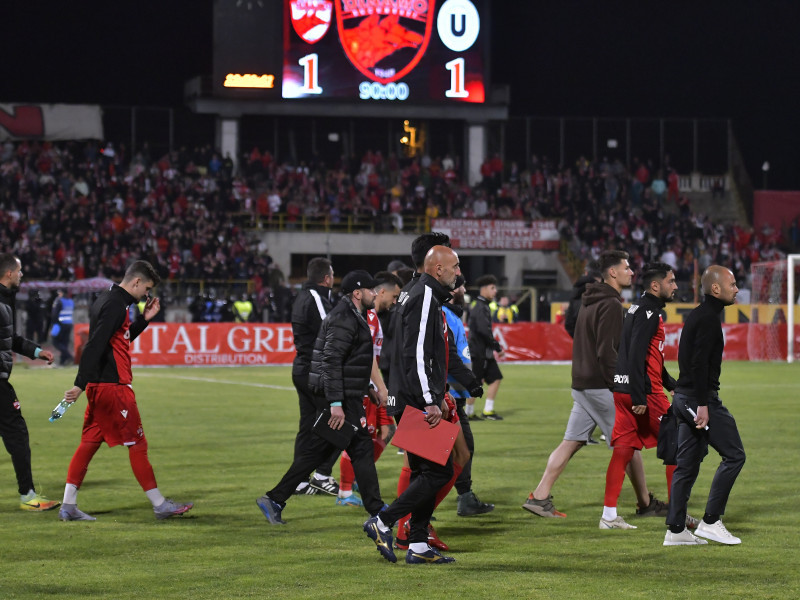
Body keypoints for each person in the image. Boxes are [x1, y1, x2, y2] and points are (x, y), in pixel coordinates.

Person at [523, 250, 653, 518]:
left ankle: (539, 496)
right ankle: (646, 503)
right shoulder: (611, 305)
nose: (632, 272)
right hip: (599, 385)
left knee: (572, 441)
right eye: (627, 268)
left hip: (583, 382)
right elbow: (607, 353)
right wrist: (620, 386)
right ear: (613, 273)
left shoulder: (590, 301)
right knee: (628, 441)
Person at [59, 260, 193, 521]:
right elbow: (94, 344)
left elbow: (118, 339)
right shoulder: (114, 305)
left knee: (89, 442)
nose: (147, 294)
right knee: (138, 443)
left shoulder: (108, 300)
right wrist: (79, 383)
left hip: (102, 387)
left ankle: (68, 505)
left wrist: (144, 320)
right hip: (114, 388)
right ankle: (159, 504)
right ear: (136, 282)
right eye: (147, 288)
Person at [257, 270, 387, 524]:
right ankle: (377, 510)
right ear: (358, 293)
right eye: (371, 290)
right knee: (358, 449)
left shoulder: (351, 315)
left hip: (347, 395)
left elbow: (350, 362)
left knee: (321, 451)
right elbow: (331, 362)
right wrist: (337, 404)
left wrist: (366, 388)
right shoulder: (344, 319)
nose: (375, 294)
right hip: (340, 399)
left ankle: (275, 498)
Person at [364, 246, 465, 565]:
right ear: (437, 268)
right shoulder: (423, 296)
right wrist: (430, 400)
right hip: (416, 399)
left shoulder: (413, 293)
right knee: (440, 471)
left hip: (404, 396)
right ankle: (382, 521)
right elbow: (417, 354)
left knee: (427, 470)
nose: (458, 272)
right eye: (455, 266)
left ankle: (418, 544)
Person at [600, 262, 691, 530]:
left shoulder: (637, 309)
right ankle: (677, 517)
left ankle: (608, 515)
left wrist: (670, 383)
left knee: (624, 450)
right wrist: (641, 396)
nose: (675, 286)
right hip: (643, 394)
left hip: (623, 390)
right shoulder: (650, 312)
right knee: (677, 444)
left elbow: (644, 355)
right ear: (655, 285)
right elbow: (638, 354)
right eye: (671, 281)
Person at [664, 266, 745, 546]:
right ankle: (711, 521)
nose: (737, 288)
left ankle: (675, 531)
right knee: (734, 455)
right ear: (716, 289)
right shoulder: (708, 318)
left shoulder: (700, 315)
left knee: (687, 465)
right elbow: (698, 364)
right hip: (699, 399)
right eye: (732, 284)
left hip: (686, 398)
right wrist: (703, 404)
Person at [335, 271, 401, 507]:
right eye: (394, 296)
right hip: (366, 388)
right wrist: (380, 388)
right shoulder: (365, 319)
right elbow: (367, 358)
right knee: (358, 437)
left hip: (374, 386)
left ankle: (355, 477)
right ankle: (344, 490)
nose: (395, 301)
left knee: (388, 431)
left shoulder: (373, 316)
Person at [0, 254, 60, 512]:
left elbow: (10, 339)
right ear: (9, 274)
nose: (23, 275)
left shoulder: (5, 300)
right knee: (17, 433)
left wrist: (37, 352)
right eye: (20, 270)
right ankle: (27, 494)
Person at [288, 257, 341, 496]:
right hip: (315, 371)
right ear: (327, 278)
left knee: (308, 425)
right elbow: (328, 332)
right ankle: (322, 474)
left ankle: (299, 480)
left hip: (301, 367)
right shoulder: (317, 298)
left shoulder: (301, 296)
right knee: (338, 421)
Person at [443, 275, 495, 517]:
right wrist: (468, 382)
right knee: (451, 453)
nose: (464, 289)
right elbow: (447, 358)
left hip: (453, 395)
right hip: (447, 397)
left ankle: (464, 497)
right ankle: (419, 504)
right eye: (461, 285)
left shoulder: (451, 314)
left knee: (458, 452)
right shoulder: (444, 315)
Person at [468, 274, 505, 420]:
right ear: (484, 290)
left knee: (495, 378)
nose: (495, 291)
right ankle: (469, 412)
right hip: (479, 352)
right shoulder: (481, 308)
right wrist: (498, 347)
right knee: (476, 382)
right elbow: (484, 331)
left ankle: (487, 410)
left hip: (483, 352)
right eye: (492, 288)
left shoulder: (482, 306)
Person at [563, 260, 601, 339]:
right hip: (600, 347)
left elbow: (569, 324)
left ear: (586, 273)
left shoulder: (576, 292)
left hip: (582, 347)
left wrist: (581, 341)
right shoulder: (602, 293)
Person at [51, 289, 74, 366]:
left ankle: (69, 356)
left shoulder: (59, 301)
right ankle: (62, 361)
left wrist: (55, 324)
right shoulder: (71, 301)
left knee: (55, 342)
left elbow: (54, 315)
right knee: (65, 343)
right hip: (69, 324)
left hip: (60, 324)